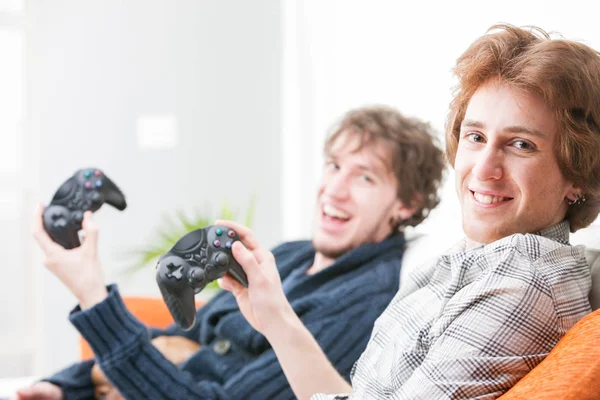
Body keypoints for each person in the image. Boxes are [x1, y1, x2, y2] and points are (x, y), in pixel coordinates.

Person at [215, 24, 600, 399]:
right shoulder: (478, 261)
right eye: (476, 137)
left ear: (578, 176)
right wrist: (274, 317)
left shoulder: (523, 281)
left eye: (520, 144)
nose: (483, 169)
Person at [19, 106, 445, 400]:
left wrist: (94, 297)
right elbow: (186, 334)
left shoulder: (363, 304)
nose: (334, 189)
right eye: (333, 166)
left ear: (405, 204)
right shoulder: (294, 255)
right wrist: (69, 386)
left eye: (365, 178)